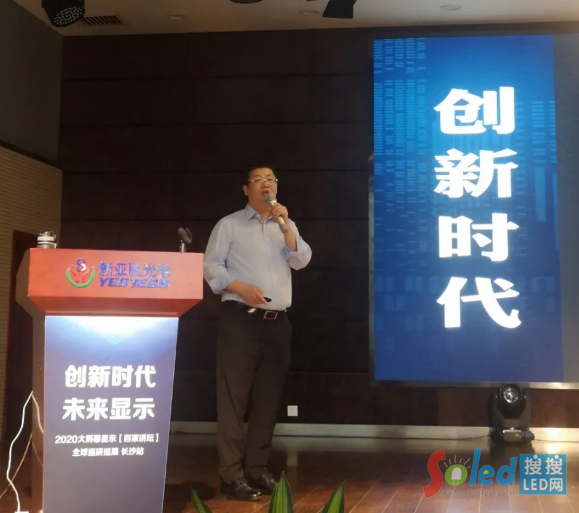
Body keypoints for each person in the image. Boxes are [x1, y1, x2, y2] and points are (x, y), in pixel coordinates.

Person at [203, 166, 312, 501]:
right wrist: (239, 287)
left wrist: (287, 228)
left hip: (277, 323)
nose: (267, 184)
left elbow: (302, 260)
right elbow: (211, 267)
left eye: (272, 180)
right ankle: (231, 476)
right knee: (234, 400)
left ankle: (257, 470)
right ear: (245, 189)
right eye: (259, 180)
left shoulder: (285, 224)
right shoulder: (229, 224)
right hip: (241, 319)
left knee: (268, 399)